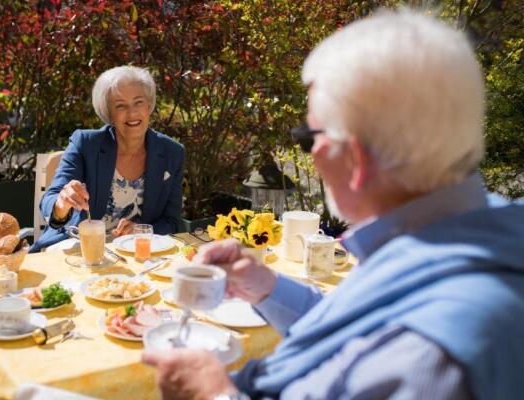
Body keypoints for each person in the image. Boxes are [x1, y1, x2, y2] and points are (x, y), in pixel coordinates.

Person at [141, 10, 524, 400]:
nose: (310, 154)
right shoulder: (457, 238)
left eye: (308, 136)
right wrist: (265, 287)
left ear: (355, 158)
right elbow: (355, 341)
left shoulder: (429, 357)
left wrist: (212, 395)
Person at [31, 66, 184, 252]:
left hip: (135, 253)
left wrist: (141, 232)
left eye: (138, 102)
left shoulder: (172, 152)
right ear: (109, 113)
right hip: (79, 248)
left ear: (149, 105)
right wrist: (62, 203)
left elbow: (172, 222)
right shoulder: (85, 144)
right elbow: (50, 199)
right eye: (120, 105)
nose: (132, 112)